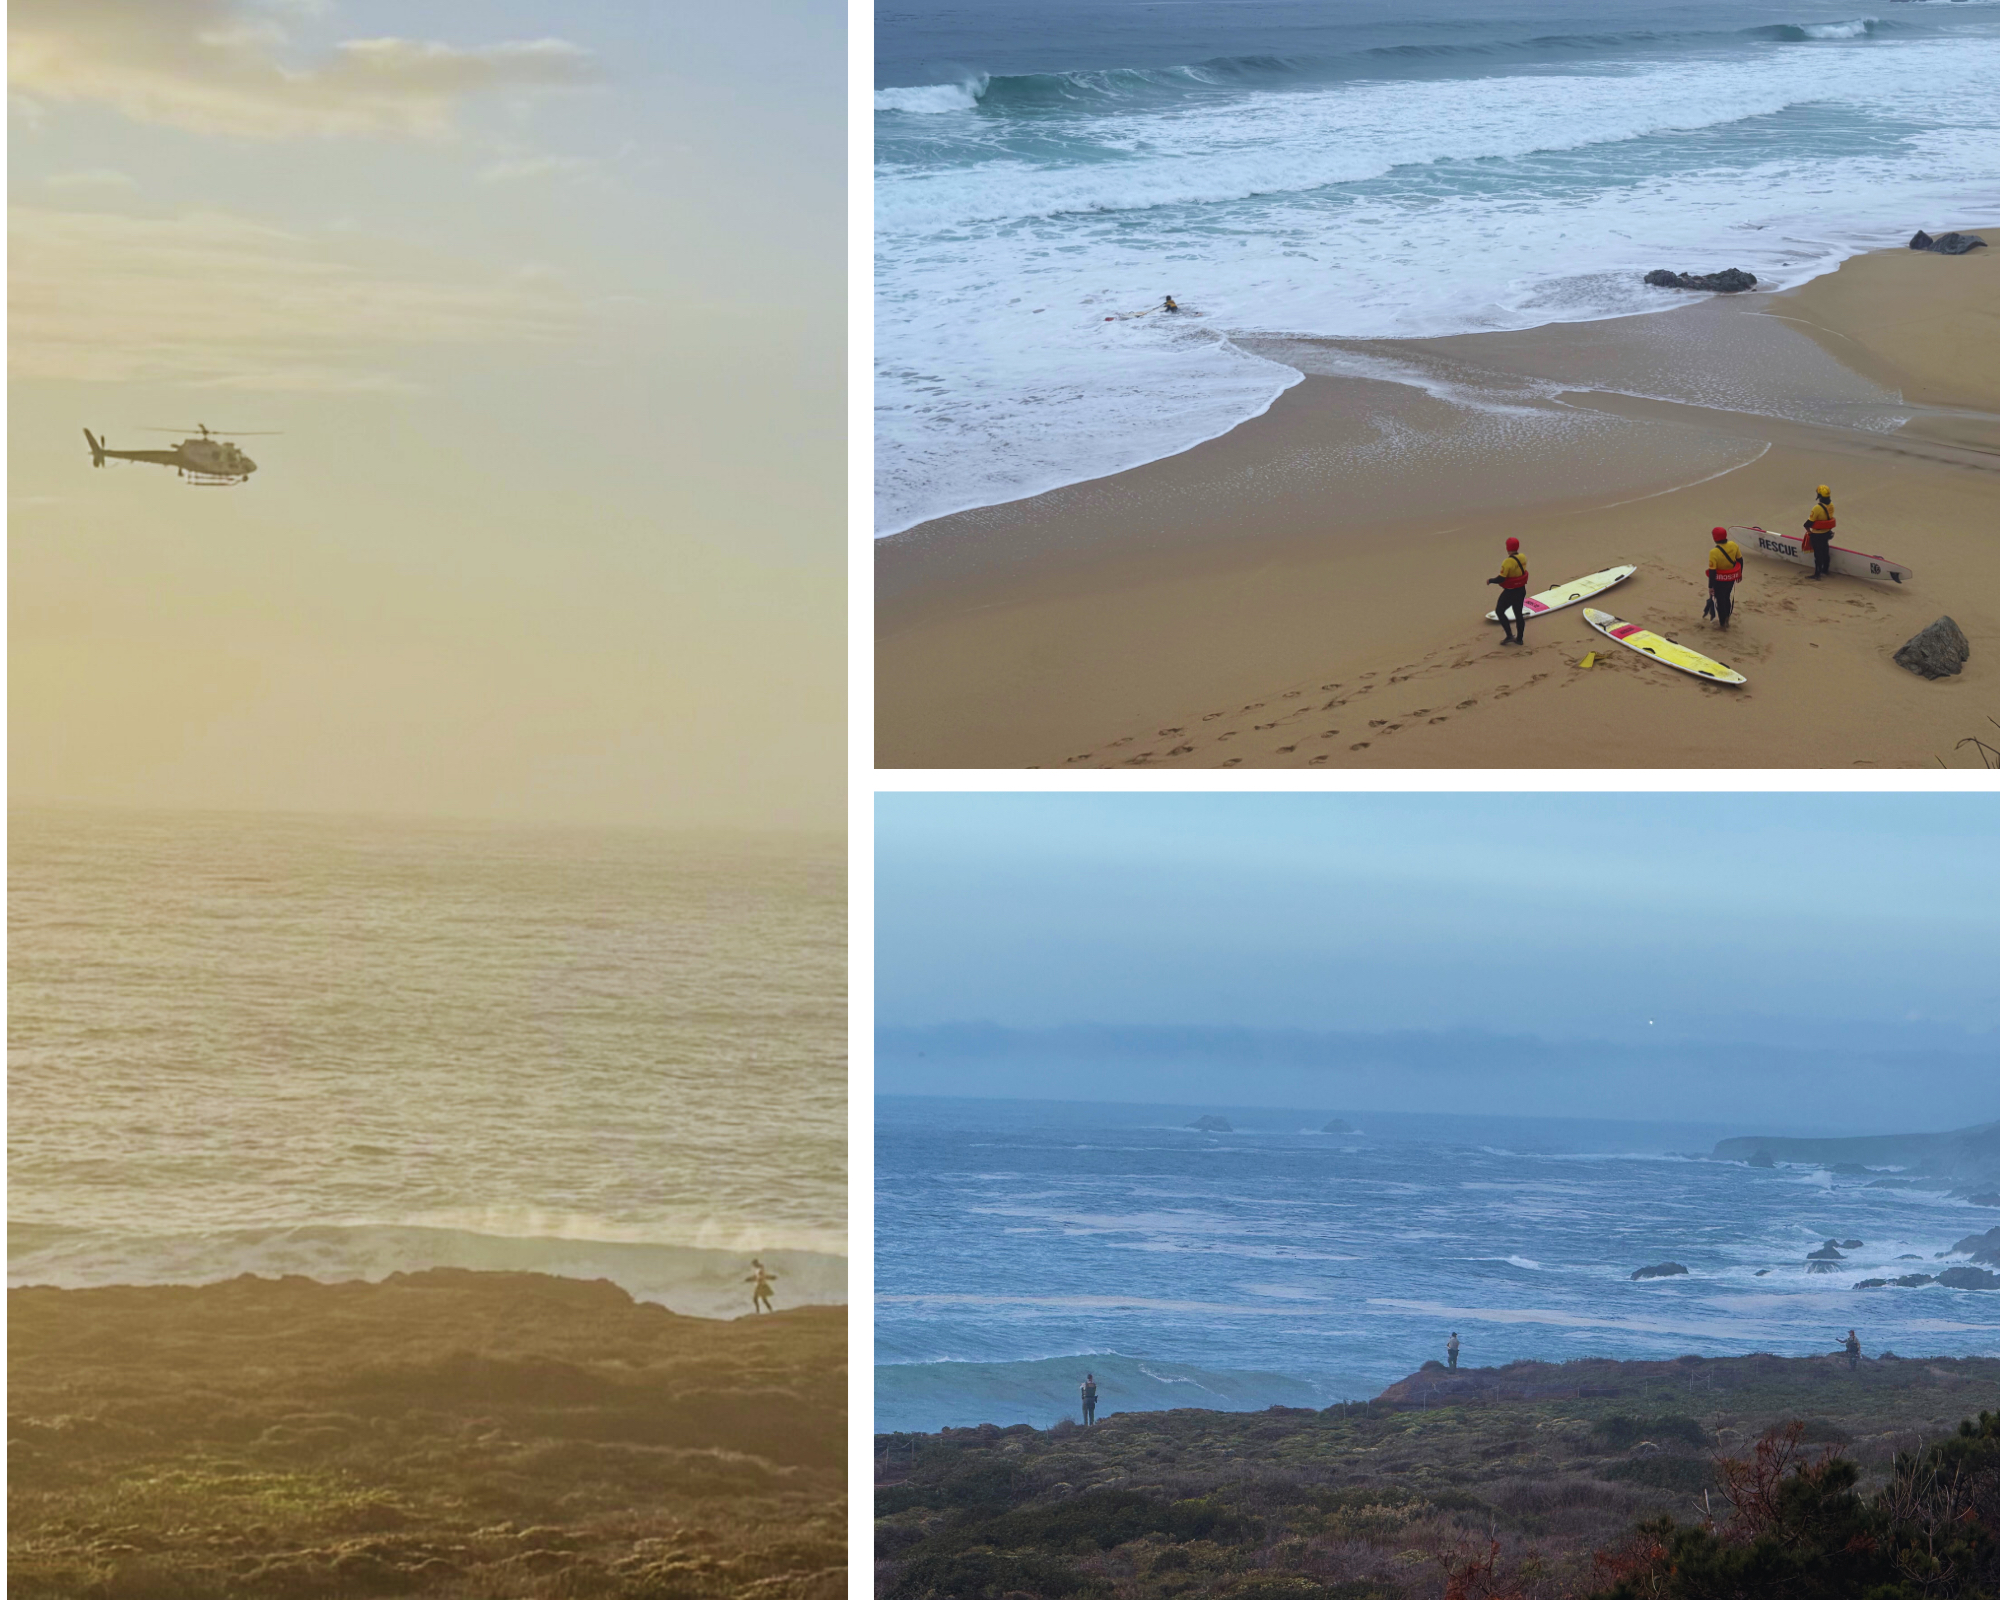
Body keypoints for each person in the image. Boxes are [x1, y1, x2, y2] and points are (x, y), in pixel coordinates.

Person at [1487, 537, 1530, 645]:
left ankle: (1509, 635)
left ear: (1507, 548)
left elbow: (1501, 579)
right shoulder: (1523, 557)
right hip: (1521, 590)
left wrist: (1490, 580)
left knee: (1499, 611)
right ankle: (1519, 639)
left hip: (1510, 592)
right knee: (1518, 614)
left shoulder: (1507, 562)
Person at [1706, 527, 1744, 629]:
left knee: (1720, 600)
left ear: (1715, 538)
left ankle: (1723, 623)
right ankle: (1727, 617)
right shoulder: (1733, 545)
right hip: (1730, 578)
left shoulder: (1714, 552)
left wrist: (1710, 586)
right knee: (1727, 596)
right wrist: (1739, 574)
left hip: (1719, 580)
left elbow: (1712, 571)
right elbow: (1740, 560)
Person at [1803, 485, 1836, 579]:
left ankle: (1817, 574)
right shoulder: (1831, 505)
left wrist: (1808, 531)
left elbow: (1809, 523)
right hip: (1827, 533)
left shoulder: (1817, 508)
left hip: (1817, 535)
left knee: (1818, 554)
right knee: (1825, 551)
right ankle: (1825, 570)